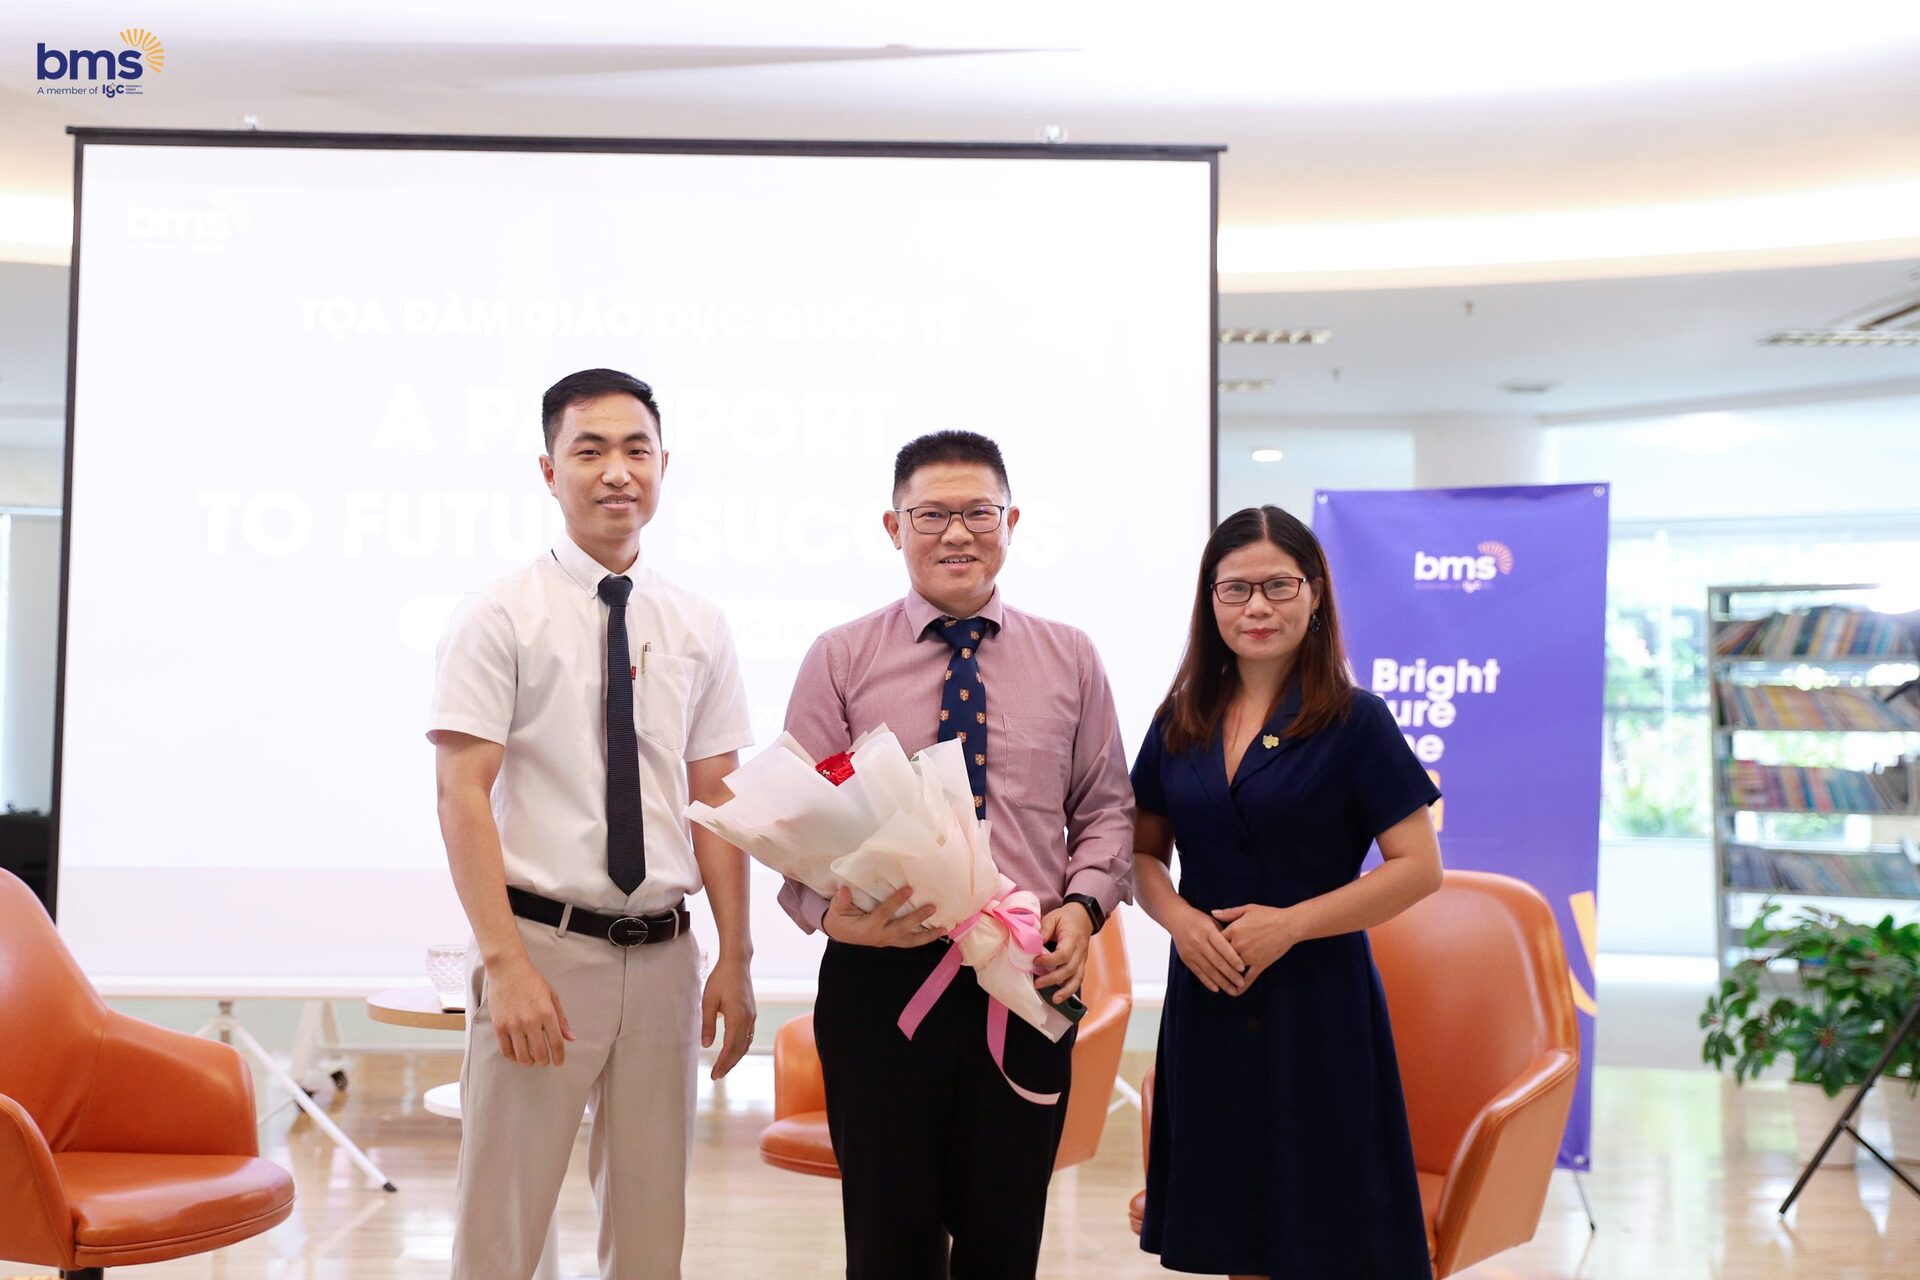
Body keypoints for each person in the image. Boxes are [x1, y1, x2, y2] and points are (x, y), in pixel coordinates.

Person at [779, 429, 1133, 1279]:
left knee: (1002, 1243)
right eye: (932, 514)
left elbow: (1107, 811)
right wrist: (829, 917)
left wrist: (1083, 910)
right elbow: (794, 818)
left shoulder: (1071, 656)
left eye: (979, 512)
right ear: (894, 527)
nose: (957, 534)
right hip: (880, 980)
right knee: (888, 1245)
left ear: (1012, 522)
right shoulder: (841, 656)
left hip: (1024, 972)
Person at [428, 368, 756, 1280]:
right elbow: (461, 793)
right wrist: (504, 967)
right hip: (542, 951)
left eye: (636, 450)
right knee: (501, 1232)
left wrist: (735, 955)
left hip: (664, 959)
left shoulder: (698, 622)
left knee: (651, 1236)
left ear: (663, 466)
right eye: (590, 450)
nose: (618, 471)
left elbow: (717, 796)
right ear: (549, 470)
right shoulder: (499, 614)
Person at [1131, 504, 1443, 1280]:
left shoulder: (1356, 720)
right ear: (1211, 600)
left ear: (1314, 594)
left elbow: (1418, 867)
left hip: (1319, 1000)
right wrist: (1178, 921)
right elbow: (1139, 855)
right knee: (1235, 1232)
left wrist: (1292, 925)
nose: (1257, 607)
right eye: (1236, 589)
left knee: (1324, 1235)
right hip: (1208, 993)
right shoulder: (1180, 718)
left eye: (1278, 585)